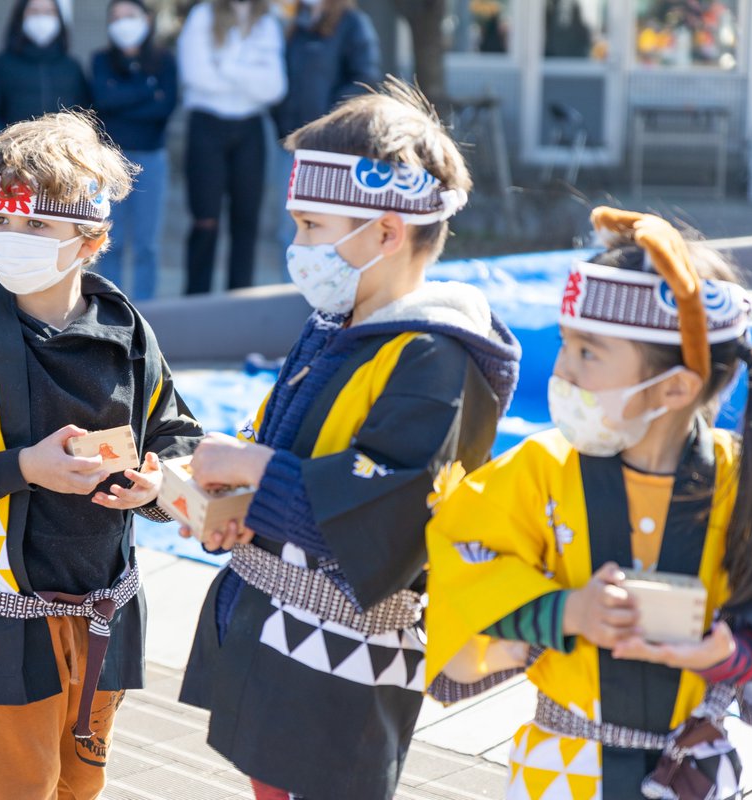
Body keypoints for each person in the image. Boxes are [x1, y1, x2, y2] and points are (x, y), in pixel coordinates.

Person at [177, 80, 522, 800]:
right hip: (276, 632)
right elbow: (282, 440)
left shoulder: (436, 359)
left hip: (341, 666)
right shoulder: (336, 327)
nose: (297, 246)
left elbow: (386, 514)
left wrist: (254, 470)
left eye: (312, 226)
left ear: (387, 232)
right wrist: (222, 491)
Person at [424, 208, 752, 800]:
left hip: (688, 764)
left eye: (588, 352)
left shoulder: (747, 480)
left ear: (674, 387)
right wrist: (567, 613)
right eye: (565, 345)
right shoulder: (540, 470)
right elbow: (462, 556)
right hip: (561, 761)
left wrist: (723, 652)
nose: (563, 368)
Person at [0, 112, 203, 800]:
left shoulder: (126, 332)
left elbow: (173, 427)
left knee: (83, 781)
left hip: (105, 598)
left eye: (36, 226)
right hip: (8, 611)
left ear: (89, 238)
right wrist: (25, 467)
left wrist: (157, 485)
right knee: (18, 786)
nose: (11, 238)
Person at [177, 0, 286, 294]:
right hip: (206, 125)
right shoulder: (203, 16)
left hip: (250, 128)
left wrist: (225, 66)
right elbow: (195, 77)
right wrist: (250, 75)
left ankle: (241, 299)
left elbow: (275, 87)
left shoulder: (267, 22)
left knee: (246, 220)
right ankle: (195, 300)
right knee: (205, 219)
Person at [90, 0, 178, 301]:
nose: (123, 22)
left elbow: (164, 109)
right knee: (108, 239)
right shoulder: (101, 60)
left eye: (130, 15)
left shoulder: (166, 61)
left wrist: (123, 99)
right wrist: (147, 91)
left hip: (151, 158)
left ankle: (145, 310)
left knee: (147, 243)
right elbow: (103, 100)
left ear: (147, 19)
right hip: (109, 160)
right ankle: (109, 307)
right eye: (115, 17)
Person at [272, 0, 379, 245]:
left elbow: (365, 79)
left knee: (328, 229)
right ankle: (292, 285)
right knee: (290, 229)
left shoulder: (353, 24)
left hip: (331, 148)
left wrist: (327, 120)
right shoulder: (296, 26)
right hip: (291, 146)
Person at [0, 0, 90, 142]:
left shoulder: (71, 67)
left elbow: (85, 113)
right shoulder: (2, 65)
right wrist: (4, 143)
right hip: (11, 156)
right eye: (34, 12)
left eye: (48, 12)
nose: (41, 18)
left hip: (61, 156)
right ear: (20, 17)